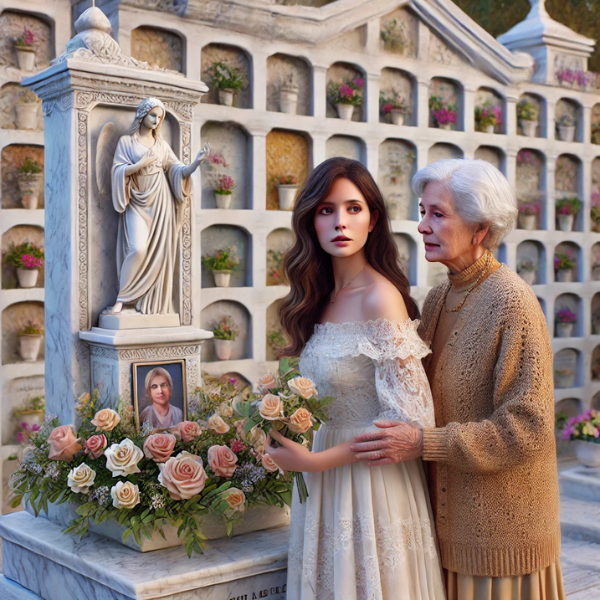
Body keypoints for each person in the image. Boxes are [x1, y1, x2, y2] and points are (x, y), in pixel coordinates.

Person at [351, 158, 565, 600]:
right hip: (443, 530)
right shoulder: (437, 298)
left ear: (480, 228)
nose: (422, 225)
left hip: (499, 540)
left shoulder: (512, 303)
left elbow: (529, 426)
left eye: (437, 214)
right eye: (423, 211)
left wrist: (423, 444)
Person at [265, 157, 445, 600]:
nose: (339, 222)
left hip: (371, 487)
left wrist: (314, 463)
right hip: (324, 486)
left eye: (353, 208)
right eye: (326, 210)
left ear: (373, 219)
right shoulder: (320, 298)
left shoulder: (380, 298)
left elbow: (411, 421)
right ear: (310, 220)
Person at [110, 97, 209, 315]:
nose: (156, 120)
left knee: (158, 253)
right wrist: (139, 164)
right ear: (143, 114)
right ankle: (122, 298)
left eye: (160, 117)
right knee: (138, 249)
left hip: (160, 202)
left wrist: (196, 163)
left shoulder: (162, 146)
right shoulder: (126, 142)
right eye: (153, 114)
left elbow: (177, 170)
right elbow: (117, 171)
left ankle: (146, 302)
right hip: (137, 202)